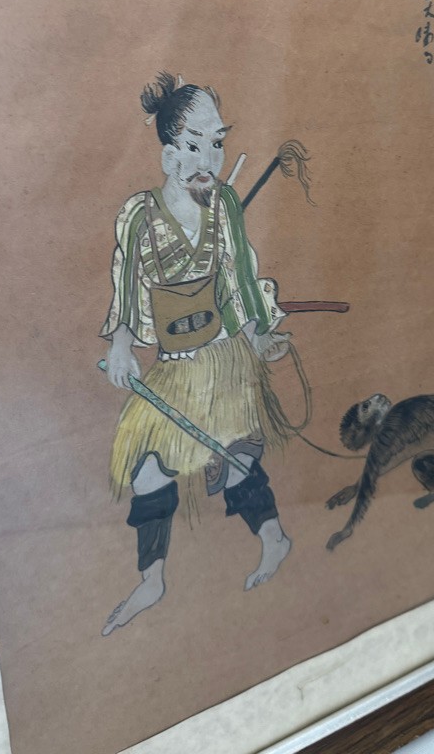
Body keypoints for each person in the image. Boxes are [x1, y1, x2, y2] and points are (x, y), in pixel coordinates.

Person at [100, 72, 292, 635]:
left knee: (233, 462)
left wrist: (260, 334)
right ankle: (152, 579)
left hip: (223, 359)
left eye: (217, 143)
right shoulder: (140, 215)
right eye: (193, 145)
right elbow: (126, 289)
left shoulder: (224, 204)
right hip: (173, 366)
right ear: (168, 154)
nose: (208, 158)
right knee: (147, 470)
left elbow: (241, 280)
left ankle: (274, 539)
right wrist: (120, 346)